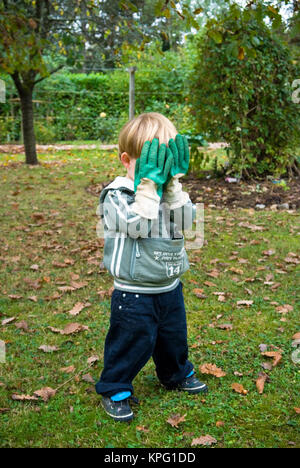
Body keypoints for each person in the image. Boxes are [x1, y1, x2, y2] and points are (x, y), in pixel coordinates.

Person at [95, 112, 207, 422]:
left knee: (173, 337)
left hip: (169, 285)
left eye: (163, 160)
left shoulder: (168, 193)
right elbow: (135, 226)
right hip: (133, 292)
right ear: (126, 160)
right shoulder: (116, 195)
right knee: (132, 339)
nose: (156, 170)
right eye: (147, 162)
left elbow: (187, 222)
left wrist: (171, 189)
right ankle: (115, 385)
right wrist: (148, 187)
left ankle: (175, 373)